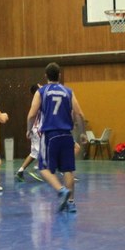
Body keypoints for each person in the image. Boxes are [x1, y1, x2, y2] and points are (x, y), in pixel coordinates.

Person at [26, 62, 86, 212]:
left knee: (43, 168)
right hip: (66, 135)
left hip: (50, 135)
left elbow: (31, 115)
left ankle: (61, 190)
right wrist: (83, 132)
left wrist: (29, 129)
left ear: (45, 76)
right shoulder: (68, 91)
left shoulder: (41, 92)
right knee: (68, 169)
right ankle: (71, 203)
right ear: (59, 75)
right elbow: (79, 114)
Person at [16, 84, 44, 182]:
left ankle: (20, 171)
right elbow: (31, 116)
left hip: (35, 129)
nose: (42, 86)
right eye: (40, 86)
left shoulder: (38, 99)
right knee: (46, 150)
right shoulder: (41, 99)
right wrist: (28, 129)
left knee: (34, 153)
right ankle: (36, 169)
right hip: (39, 130)